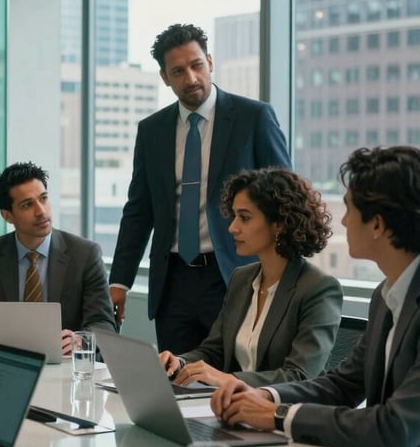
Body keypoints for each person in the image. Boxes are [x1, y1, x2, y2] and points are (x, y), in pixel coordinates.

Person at [212, 146, 420, 447]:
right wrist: (268, 398)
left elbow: (397, 427)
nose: (341, 221)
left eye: (348, 209)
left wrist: (275, 417)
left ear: (377, 224)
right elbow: (344, 383)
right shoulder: (387, 295)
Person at [109, 23, 292, 353]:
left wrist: (285, 276)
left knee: (231, 383)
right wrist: (119, 281)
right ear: (165, 77)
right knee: (177, 380)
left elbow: (286, 199)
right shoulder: (152, 131)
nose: (190, 78)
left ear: (209, 61)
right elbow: (139, 210)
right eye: (178, 71)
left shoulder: (254, 117)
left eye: (196, 66)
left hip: (235, 275)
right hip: (173, 282)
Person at [158, 168, 342, 389]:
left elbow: (301, 376)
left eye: (244, 218)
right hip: (232, 408)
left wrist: (229, 380)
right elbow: (214, 350)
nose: (232, 227)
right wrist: (180, 363)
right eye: (234, 216)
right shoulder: (242, 278)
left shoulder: (318, 287)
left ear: (279, 223)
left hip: (283, 414)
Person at [0, 162, 116, 355]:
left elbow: (103, 323)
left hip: (65, 365)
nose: (41, 211)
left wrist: (80, 341)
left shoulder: (85, 254)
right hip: (9, 363)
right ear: (7, 215)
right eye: (27, 205)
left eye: (44, 198)